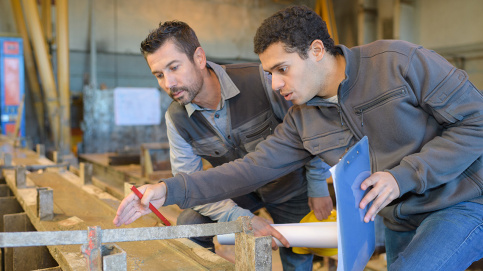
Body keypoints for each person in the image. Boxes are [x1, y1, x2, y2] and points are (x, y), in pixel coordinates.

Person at [114, 6, 483, 270]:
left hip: (461, 202)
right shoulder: (303, 118)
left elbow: (477, 123)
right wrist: (166, 190)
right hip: (400, 217)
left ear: (317, 51)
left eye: (282, 70)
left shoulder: (398, 62)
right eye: (269, 72)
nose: (275, 84)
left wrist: (402, 176)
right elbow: (249, 170)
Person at [126, 20, 334, 270]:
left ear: (199, 58)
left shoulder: (262, 81)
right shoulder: (176, 118)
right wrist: (241, 218)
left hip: (290, 187)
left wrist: (317, 186)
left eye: (174, 67)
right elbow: (189, 181)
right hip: (238, 193)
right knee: (189, 223)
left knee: (297, 257)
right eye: (159, 75)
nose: (168, 83)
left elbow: (311, 130)